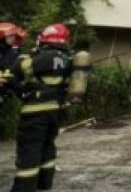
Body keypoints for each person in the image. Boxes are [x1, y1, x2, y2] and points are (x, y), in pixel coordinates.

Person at [11, 23, 75, 192]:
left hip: (35, 113)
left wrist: (24, 55)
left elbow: (19, 69)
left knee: (29, 150)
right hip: (57, 112)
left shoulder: (42, 57)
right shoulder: (68, 59)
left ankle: (23, 189)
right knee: (47, 147)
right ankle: (44, 184)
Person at [0, 23, 25, 104]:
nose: (13, 38)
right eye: (10, 36)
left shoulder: (13, 52)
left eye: (14, 36)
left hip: (13, 89)